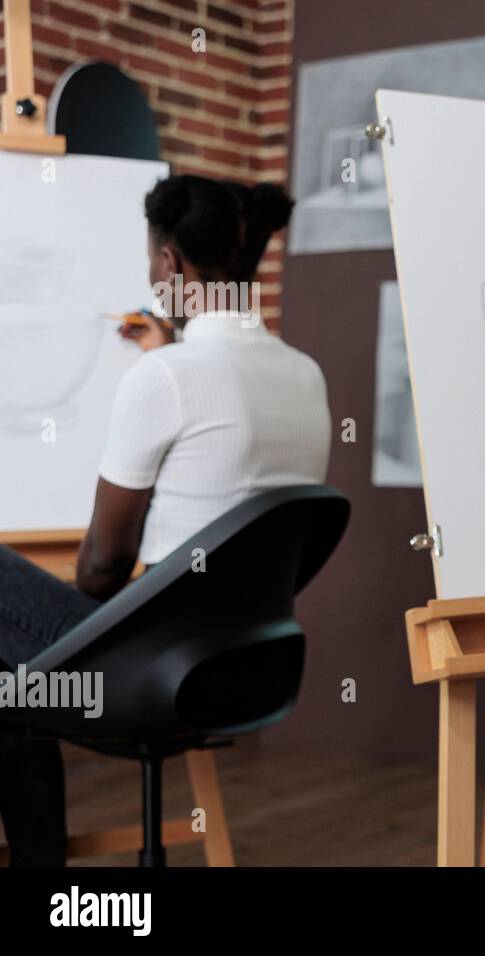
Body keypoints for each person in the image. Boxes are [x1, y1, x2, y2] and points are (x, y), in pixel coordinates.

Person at [0, 174, 331, 865]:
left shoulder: (166, 380)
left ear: (169, 264)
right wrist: (168, 353)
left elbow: (100, 568)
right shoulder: (305, 376)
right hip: (250, 671)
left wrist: (164, 368)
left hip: (150, 676)